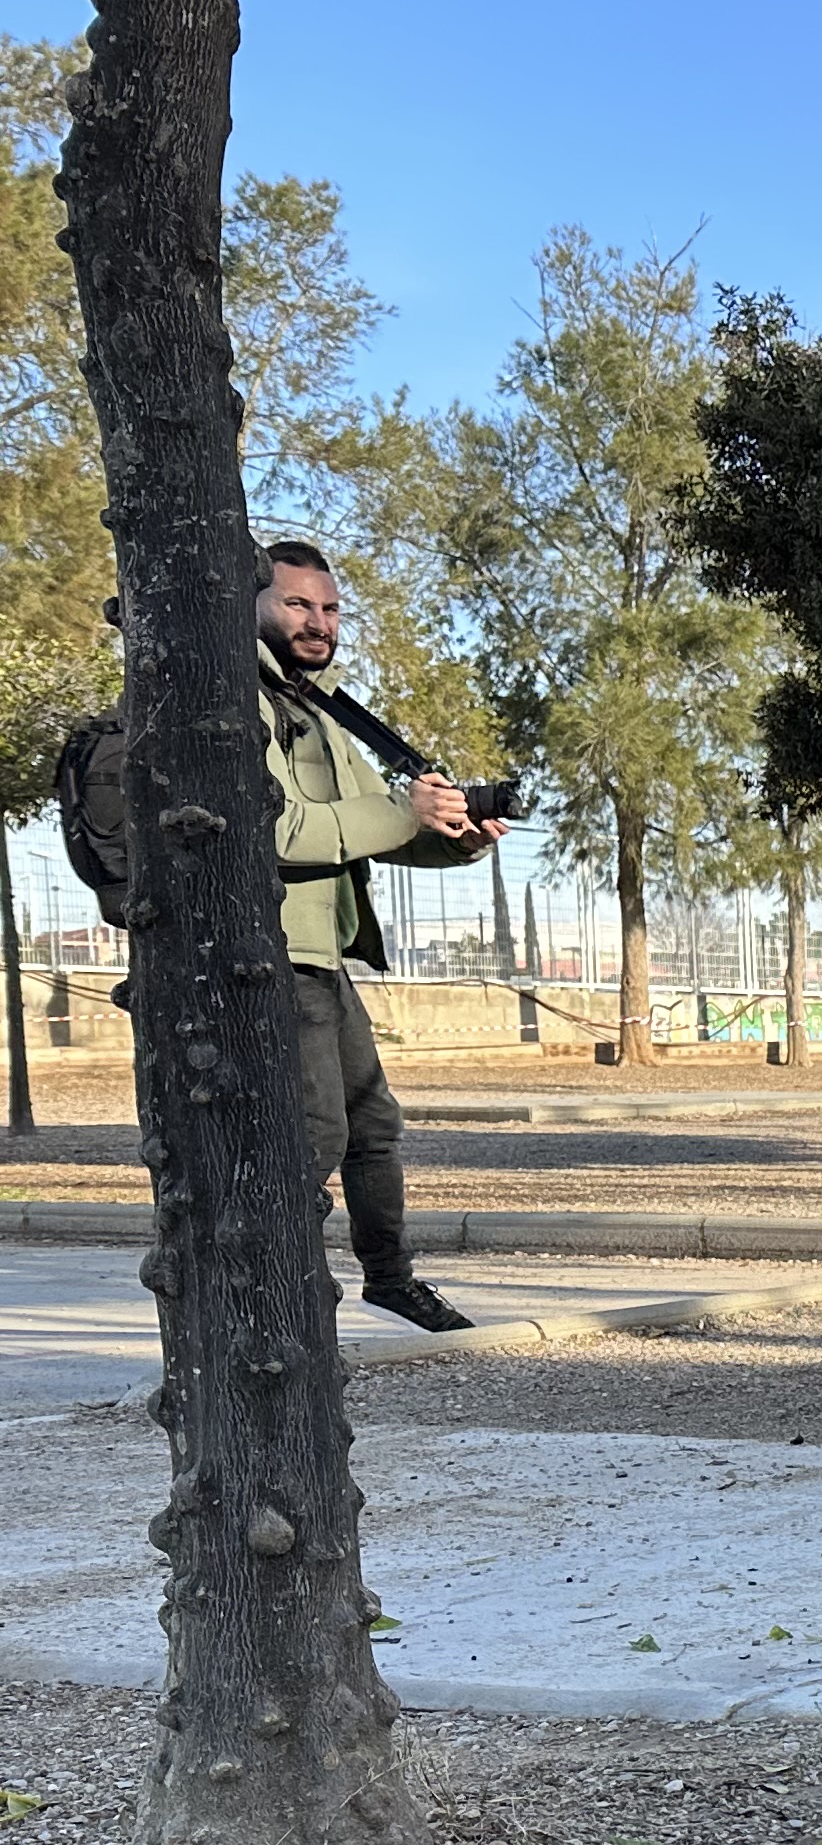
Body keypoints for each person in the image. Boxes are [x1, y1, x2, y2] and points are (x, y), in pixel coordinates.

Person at [256, 540, 492, 1331]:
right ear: (252, 603)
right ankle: (281, 1294)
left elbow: (384, 828)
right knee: (314, 1133)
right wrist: (403, 812)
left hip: (322, 957)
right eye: (298, 605)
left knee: (373, 1127)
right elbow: (279, 829)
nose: (317, 623)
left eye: (328, 609)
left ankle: (390, 1279)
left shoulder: (316, 708)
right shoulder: (235, 700)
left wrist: (458, 835)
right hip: (269, 955)